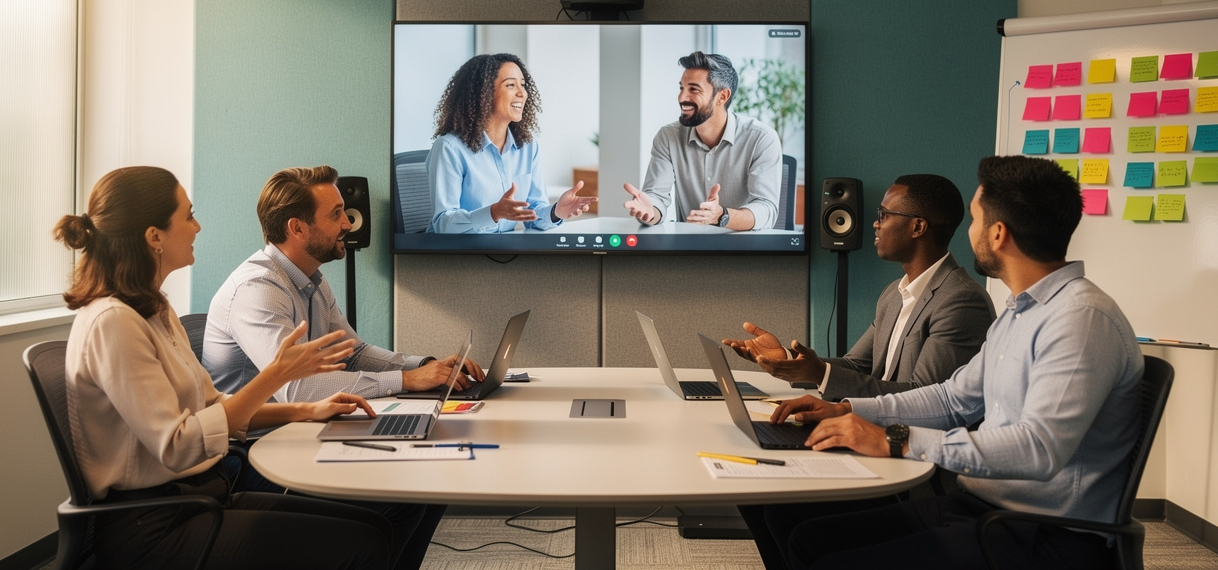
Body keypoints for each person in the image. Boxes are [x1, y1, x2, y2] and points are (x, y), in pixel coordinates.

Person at [777, 155, 1143, 570]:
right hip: (982, 507)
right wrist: (847, 409)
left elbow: (1038, 448)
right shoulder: (1021, 311)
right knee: (807, 538)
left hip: (1042, 534)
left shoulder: (1081, 319)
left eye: (974, 220)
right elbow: (954, 400)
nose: (968, 232)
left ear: (998, 234)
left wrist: (896, 439)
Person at [56, 166, 393, 570]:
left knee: (375, 528)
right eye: (188, 215)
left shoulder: (154, 309)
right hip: (156, 526)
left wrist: (306, 410)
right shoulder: (112, 322)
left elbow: (214, 406)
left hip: (203, 496)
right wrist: (276, 375)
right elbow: (179, 445)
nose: (197, 226)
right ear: (154, 237)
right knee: (363, 544)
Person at [202, 165, 481, 570]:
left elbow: (353, 351)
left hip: (305, 432)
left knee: (430, 478)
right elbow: (299, 389)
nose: (348, 222)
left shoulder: (311, 279)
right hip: (253, 457)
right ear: (297, 228)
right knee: (401, 496)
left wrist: (426, 366)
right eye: (335, 214)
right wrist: (405, 380)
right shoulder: (257, 291)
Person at [725, 174, 995, 570]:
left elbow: (921, 394)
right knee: (756, 492)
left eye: (885, 214)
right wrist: (793, 363)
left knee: (785, 510)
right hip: (872, 438)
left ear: (918, 226)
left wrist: (831, 389)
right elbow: (857, 365)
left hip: (910, 468)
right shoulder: (895, 293)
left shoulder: (961, 302)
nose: (875, 223)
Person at [426, 53, 596, 233]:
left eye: (522, 85)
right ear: (483, 93)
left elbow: (533, 212)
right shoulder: (450, 148)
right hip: (457, 256)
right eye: (510, 85)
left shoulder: (528, 147)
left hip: (503, 253)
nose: (522, 93)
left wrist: (556, 212)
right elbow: (443, 224)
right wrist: (492, 213)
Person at [622, 51, 782, 230]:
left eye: (693, 89)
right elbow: (656, 199)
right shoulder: (668, 137)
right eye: (681, 88)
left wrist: (721, 216)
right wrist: (650, 211)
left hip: (744, 249)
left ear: (722, 96)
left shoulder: (761, 138)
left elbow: (766, 210)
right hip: (689, 250)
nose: (682, 98)